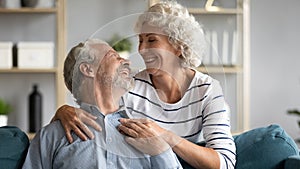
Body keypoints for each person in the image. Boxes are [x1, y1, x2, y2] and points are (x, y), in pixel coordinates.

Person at [52, 1, 236, 169]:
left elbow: (225, 163)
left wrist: (164, 136)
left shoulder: (207, 90)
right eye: (140, 40)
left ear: (178, 45)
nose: (141, 49)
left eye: (151, 40)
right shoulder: (131, 87)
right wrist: (64, 111)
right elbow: (93, 110)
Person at [22, 39, 182, 169]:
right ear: (88, 69)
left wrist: (162, 151)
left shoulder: (148, 130)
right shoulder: (52, 135)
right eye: (113, 56)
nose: (126, 60)